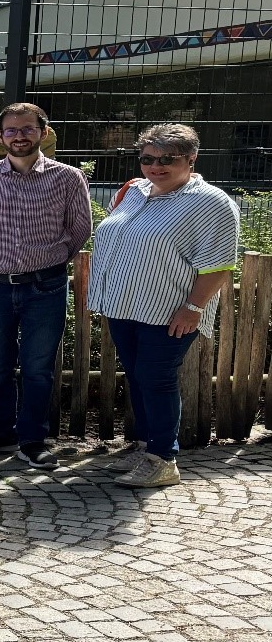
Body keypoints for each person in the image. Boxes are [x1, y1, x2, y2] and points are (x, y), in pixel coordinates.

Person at [89, 124, 239, 488]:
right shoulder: (134, 191)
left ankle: (163, 459)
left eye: (167, 159)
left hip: (168, 310)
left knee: (156, 379)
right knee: (140, 378)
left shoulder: (212, 202)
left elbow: (219, 263)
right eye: (148, 159)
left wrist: (194, 307)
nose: (156, 166)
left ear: (191, 159)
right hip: (123, 304)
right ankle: (147, 448)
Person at [0, 103, 92, 469]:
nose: (19, 136)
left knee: (38, 367)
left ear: (43, 132)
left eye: (27, 128)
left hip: (44, 287)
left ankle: (33, 438)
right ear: (1, 137)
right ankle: (0, 432)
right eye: (12, 130)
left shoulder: (67, 178)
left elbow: (80, 229)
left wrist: (50, 260)